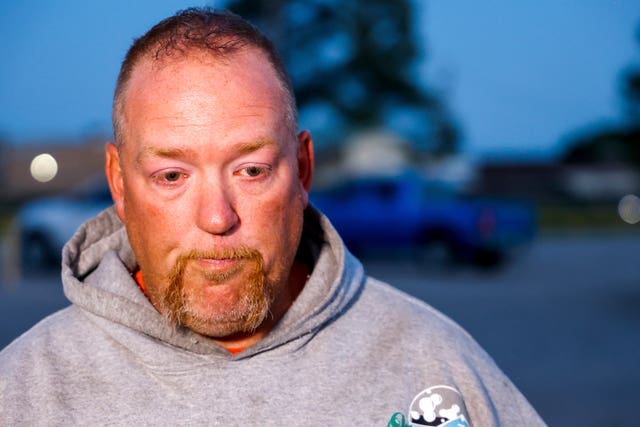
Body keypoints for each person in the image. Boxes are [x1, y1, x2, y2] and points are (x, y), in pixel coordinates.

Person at [0, 8, 546, 426]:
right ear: (119, 183)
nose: (217, 218)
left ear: (303, 170)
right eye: (172, 176)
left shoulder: (433, 366)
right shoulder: (26, 392)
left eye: (252, 170)